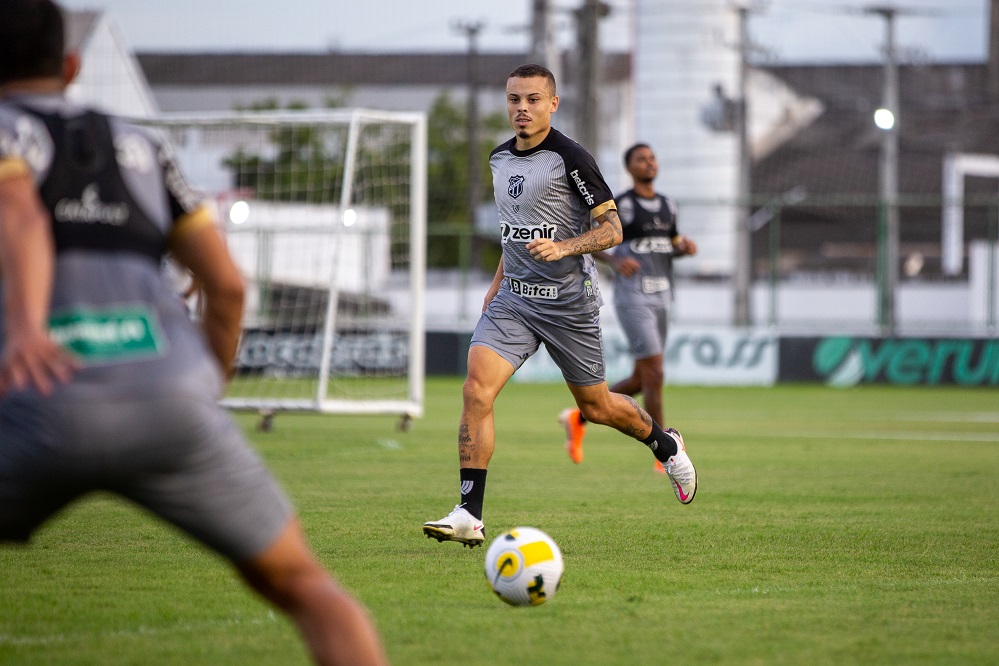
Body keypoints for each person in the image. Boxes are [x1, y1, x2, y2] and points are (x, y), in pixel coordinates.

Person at [0, 2, 387, 664]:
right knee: (307, 587)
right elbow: (228, 287)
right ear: (70, 67)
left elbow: (21, 217)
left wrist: (26, 330)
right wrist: (208, 384)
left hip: (37, 396)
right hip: (169, 396)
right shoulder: (144, 146)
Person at [422, 64, 697, 548]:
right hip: (514, 300)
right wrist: (497, 280)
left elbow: (613, 231)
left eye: (532, 99)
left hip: (569, 303)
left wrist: (567, 247)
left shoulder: (571, 158)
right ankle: (469, 512)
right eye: (513, 100)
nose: (521, 109)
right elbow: (516, 231)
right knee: (476, 391)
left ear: (553, 103)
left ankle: (664, 443)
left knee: (596, 406)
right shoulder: (499, 158)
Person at [558, 143, 697, 471]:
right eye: (641, 159)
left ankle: (577, 418)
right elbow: (593, 239)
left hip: (663, 297)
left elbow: (670, 244)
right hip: (634, 299)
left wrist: (685, 248)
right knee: (656, 372)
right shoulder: (622, 205)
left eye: (652, 157)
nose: (649, 163)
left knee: (641, 377)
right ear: (630, 167)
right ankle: (666, 452)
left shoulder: (668, 205)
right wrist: (615, 259)